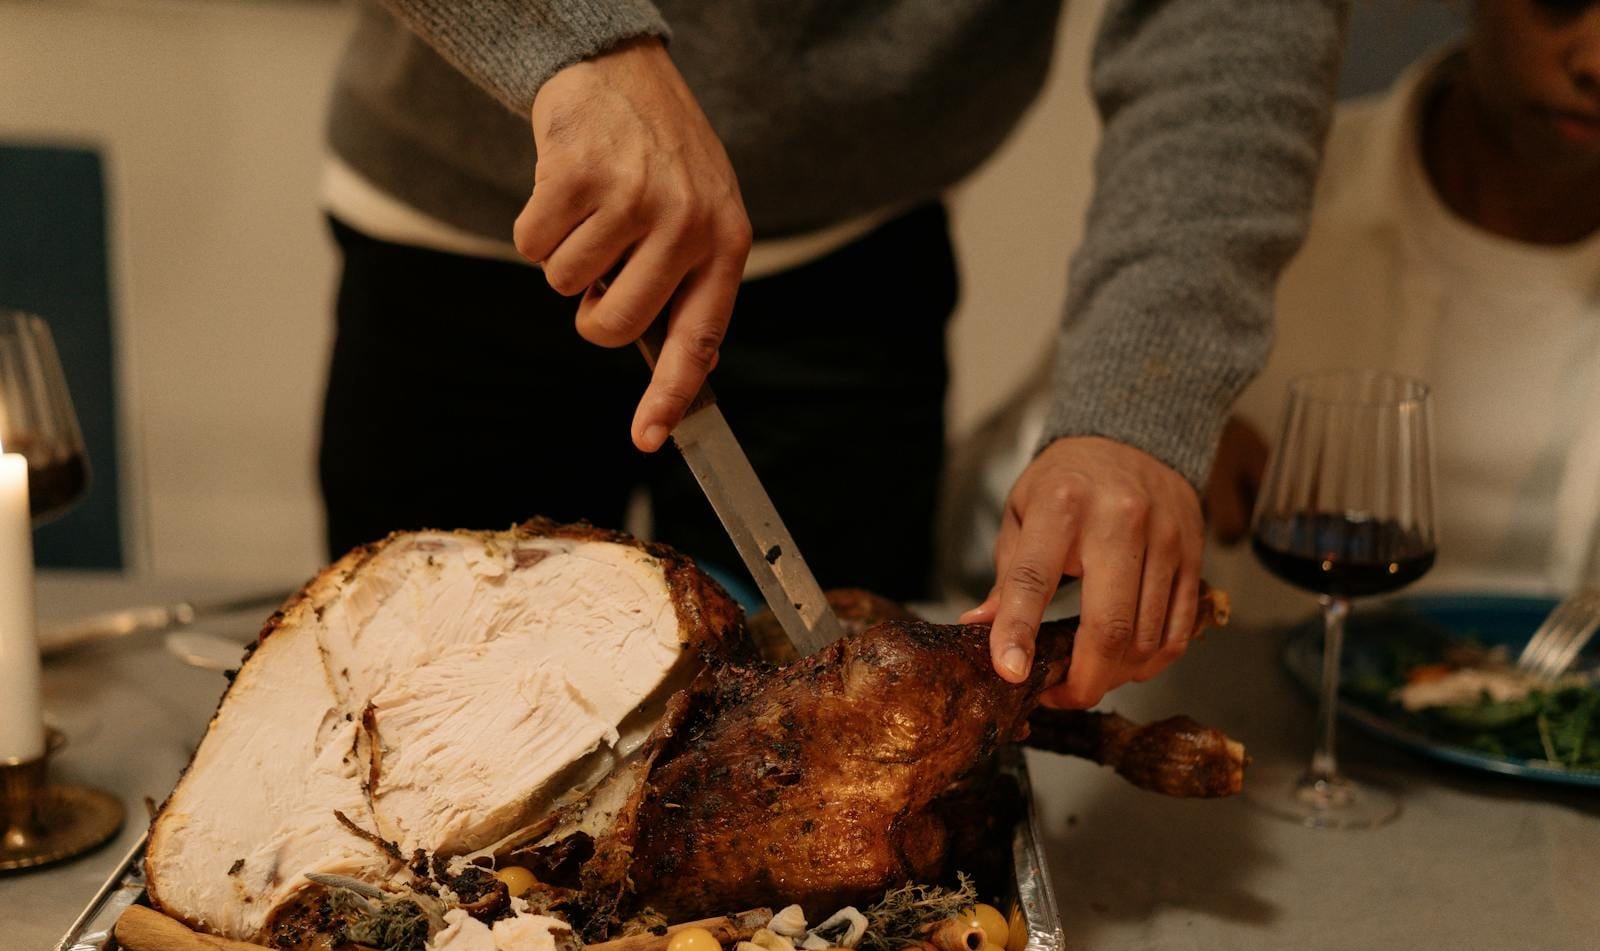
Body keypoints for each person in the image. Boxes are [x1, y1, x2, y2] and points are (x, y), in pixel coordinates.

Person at [317, 0, 1348, 708]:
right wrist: (563, 35)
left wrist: (1141, 399)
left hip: (849, 257)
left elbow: (1228, 24)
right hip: (455, 221)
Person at [1204, 0, 1600, 623]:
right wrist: (1148, 438)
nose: (1595, 61)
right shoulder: (1251, 202)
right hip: (1237, 712)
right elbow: (1012, 491)